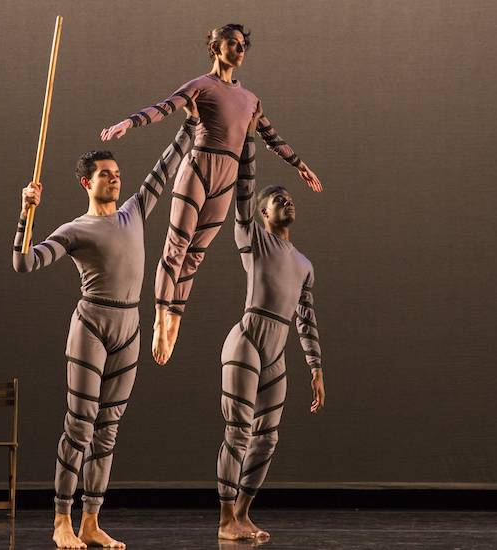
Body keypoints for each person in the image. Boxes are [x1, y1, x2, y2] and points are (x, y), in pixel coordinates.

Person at [13, 112, 198, 549]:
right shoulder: (76, 229)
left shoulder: (134, 210)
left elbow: (165, 165)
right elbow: (24, 263)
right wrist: (26, 212)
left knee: (108, 429)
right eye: (105, 175)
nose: (115, 180)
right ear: (86, 183)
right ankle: (62, 522)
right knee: (80, 424)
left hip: (129, 327)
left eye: (117, 174)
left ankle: (92, 523)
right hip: (92, 325)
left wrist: (190, 125)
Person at [101, 23, 322, 366]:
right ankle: (160, 315)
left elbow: (271, 137)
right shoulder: (201, 85)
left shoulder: (251, 99)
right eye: (232, 44)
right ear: (216, 49)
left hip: (227, 178)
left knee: (195, 255)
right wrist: (129, 123)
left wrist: (300, 165)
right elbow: (165, 107)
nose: (239, 49)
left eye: (242, 44)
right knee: (177, 246)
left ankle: (175, 316)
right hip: (199, 168)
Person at [216, 113, 325, 540]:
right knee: (238, 431)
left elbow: (306, 319)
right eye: (277, 197)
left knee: (266, 438)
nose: (287, 200)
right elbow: (242, 195)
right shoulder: (254, 239)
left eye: (289, 196)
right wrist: (247, 144)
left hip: (277, 352)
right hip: (247, 341)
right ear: (263, 213)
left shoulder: (303, 264)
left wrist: (316, 368)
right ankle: (226, 520)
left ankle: (242, 513)